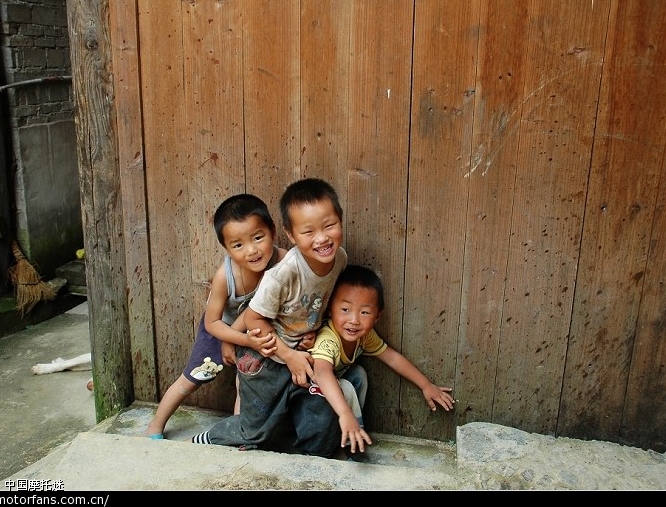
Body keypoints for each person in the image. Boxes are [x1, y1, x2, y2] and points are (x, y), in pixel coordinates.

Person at [192, 177, 347, 457]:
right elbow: (252, 318)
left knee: (319, 415)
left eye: (329, 226)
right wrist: (286, 354)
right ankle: (209, 437)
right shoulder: (282, 274)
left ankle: (309, 462)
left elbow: (313, 304)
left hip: (300, 351)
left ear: (341, 221)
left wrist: (314, 329)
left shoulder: (340, 260)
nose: (322, 238)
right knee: (254, 433)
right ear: (290, 234)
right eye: (309, 231)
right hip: (267, 358)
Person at [144, 193, 285, 439]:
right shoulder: (225, 276)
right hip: (220, 330)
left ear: (272, 231)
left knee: (247, 384)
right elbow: (212, 323)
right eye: (238, 245)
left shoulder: (284, 261)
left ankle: (239, 434)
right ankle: (154, 427)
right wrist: (236, 340)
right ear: (226, 248)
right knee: (192, 378)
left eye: (258, 238)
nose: (252, 250)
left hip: (258, 332)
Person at [309, 264, 455, 454]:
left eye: (364, 312)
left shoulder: (364, 336)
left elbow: (392, 358)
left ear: (377, 316)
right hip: (311, 398)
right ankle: (348, 439)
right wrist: (345, 413)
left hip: (335, 392)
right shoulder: (328, 340)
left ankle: (352, 427)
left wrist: (426, 385)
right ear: (330, 309)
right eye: (345, 309)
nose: (354, 320)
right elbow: (321, 372)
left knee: (358, 374)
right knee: (345, 387)